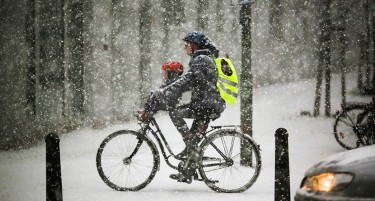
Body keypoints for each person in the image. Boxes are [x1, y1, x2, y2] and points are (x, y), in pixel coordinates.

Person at [140, 31, 226, 183]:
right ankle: (188, 167)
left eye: (187, 45)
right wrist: (169, 90)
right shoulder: (202, 58)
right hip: (204, 104)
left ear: (195, 45)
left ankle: (192, 151)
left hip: (206, 105)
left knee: (176, 113)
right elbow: (190, 81)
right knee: (191, 143)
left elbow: (188, 80)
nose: (185, 48)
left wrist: (167, 90)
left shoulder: (200, 59)